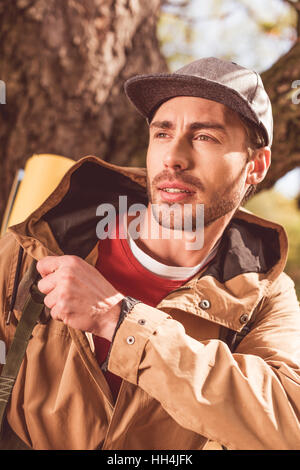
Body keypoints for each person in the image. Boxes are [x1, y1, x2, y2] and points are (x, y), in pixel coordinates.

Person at [0, 57, 300, 451]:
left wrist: (119, 320)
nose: (173, 156)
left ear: (256, 166)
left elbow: (287, 426)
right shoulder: (36, 245)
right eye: (162, 133)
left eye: (204, 137)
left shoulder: (267, 296)